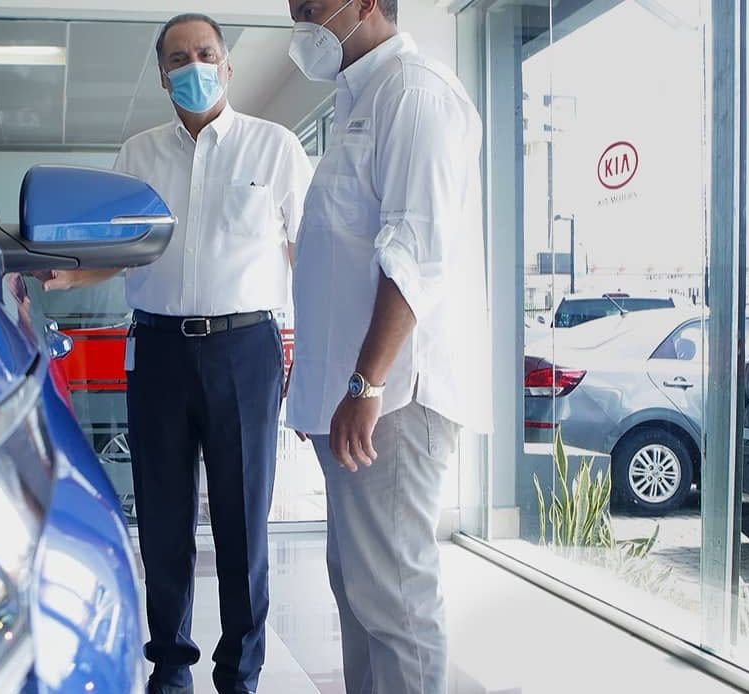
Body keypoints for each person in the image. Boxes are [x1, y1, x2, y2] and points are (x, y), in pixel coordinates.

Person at [43, 13, 314, 694]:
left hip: (245, 349)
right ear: (162, 74)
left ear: (226, 64)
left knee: (241, 520)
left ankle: (241, 669)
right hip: (157, 349)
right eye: (178, 58)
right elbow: (120, 247)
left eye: (205, 53)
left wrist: (320, 349)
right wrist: (72, 275)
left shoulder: (274, 147)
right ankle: (170, 663)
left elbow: (308, 256)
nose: (193, 66)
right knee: (162, 517)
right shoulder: (138, 155)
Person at [283, 1, 491, 693]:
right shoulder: (359, 102)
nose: (301, 17)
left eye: (312, 5)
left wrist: (366, 382)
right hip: (359, 398)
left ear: (367, 3)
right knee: (360, 592)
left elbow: (418, 253)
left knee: (395, 602)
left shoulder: (414, 92)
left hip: (392, 399)